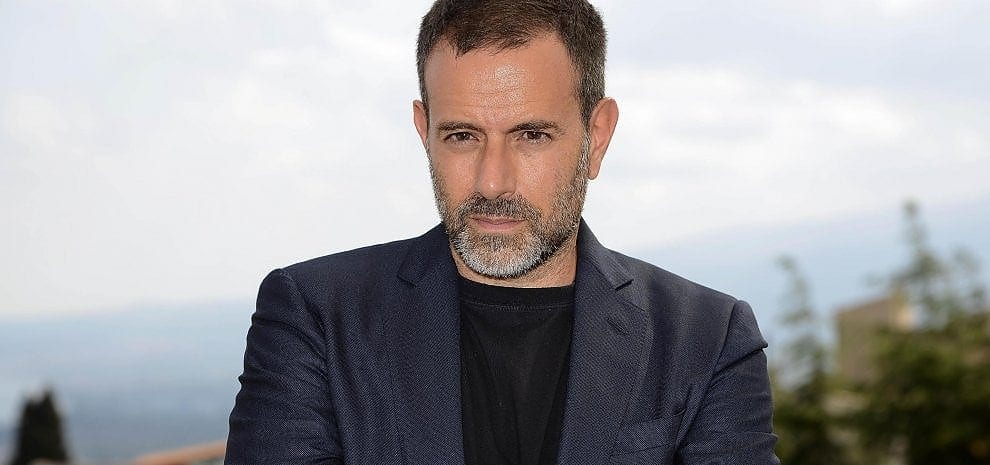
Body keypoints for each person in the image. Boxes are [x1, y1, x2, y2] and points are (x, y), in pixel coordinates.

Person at [225, 0, 779, 464]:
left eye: (532, 136)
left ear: (597, 137)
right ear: (424, 132)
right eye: (462, 136)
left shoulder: (707, 339)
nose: (492, 181)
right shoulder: (314, 315)